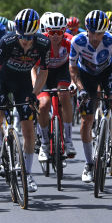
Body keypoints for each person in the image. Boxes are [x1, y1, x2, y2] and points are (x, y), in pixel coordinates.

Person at [0, 8, 50, 195]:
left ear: (35, 33)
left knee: (28, 129)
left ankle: (27, 174)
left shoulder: (44, 43)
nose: (26, 41)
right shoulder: (7, 41)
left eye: (29, 37)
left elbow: (44, 71)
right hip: (4, 81)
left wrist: (35, 93)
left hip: (23, 83)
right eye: (22, 36)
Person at [69, 9, 112, 184]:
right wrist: (80, 89)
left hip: (107, 71)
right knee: (86, 121)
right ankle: (89, 164)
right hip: (86, 74)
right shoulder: (77, 41)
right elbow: (73, 70)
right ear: (86, 30)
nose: (96, 37)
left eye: (100, 33)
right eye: (92, 33)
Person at [35, 12, 76, 160]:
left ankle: (69, 140)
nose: (56, 35)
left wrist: (73, 83)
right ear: (46, 31)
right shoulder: (39, 42)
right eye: (52, 32)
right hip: (43, 73)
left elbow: (74, 66)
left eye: (60, 32)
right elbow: (34, 68)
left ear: (64, 30)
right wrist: (35, 87)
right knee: (44, 104)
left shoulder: (70, 41)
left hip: (62, 72)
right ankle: (45, 143)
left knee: (64, 95)